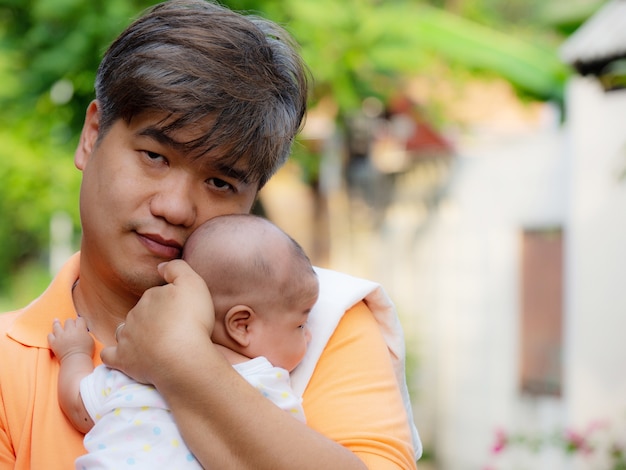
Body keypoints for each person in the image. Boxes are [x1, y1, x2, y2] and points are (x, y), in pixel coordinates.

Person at [0, 1, 421, 468]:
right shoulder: (6, 364)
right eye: (154, 156)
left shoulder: (312, 322)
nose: (175, 207)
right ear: (92, 134)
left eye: (220, 182)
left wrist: (182, 362)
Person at [48, 214, 317, 468]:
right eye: (300, 325)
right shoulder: (269, 388)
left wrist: (73, 354)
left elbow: (79, 408)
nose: (310, 335)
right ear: (242, 325)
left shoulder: (139, 362)